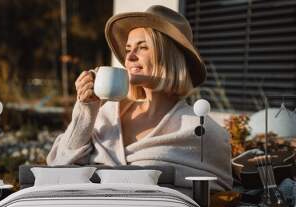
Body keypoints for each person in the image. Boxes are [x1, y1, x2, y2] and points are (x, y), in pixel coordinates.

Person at [47, 5, 233, 191]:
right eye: (128, 49)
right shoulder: (106, 114)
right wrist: (86, 110)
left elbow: (217, 195)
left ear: (169, 57)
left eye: (142, 47)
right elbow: (57, 168)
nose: (130, 57)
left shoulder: (199, 129)